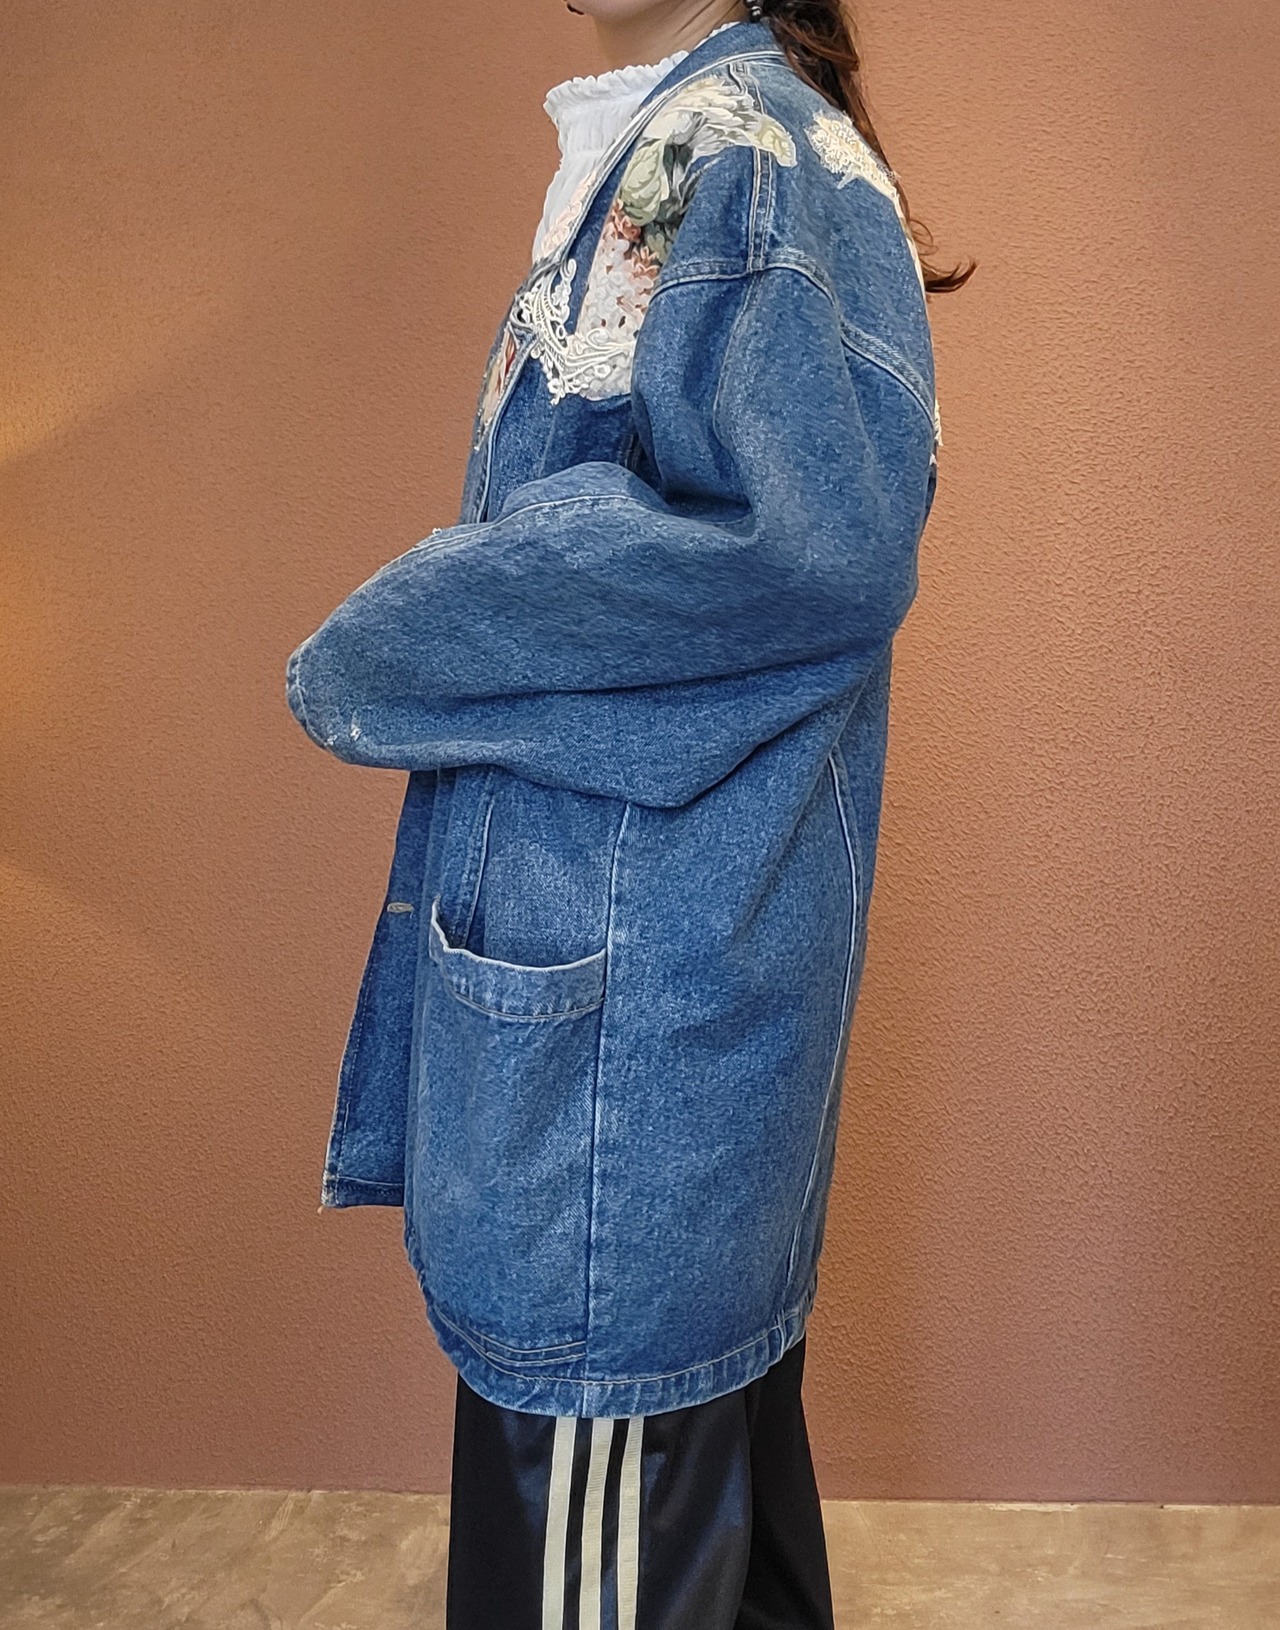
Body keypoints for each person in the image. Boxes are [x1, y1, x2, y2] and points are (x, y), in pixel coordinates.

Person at [285, 2, 974, 1624]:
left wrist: (417, 623)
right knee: (696, 1531)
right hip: (605, 1015)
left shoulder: (745, 154)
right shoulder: (686, 143)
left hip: (623, 1050)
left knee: (606, 1543)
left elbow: (798, 554)